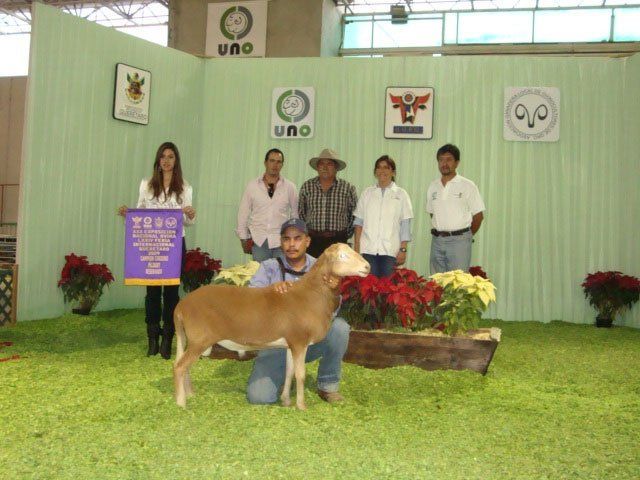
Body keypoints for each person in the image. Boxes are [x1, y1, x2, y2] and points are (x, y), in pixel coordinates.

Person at [246, 218, 350, 405]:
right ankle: (287, 376)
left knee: (340, 329)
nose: (292, 244)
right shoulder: (269, 267)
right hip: (276, 345)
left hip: (309, 342)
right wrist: (270, 291)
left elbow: (332, 312)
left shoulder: (320, 268)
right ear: (281, 242)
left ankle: (328, 385)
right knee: (259, 398)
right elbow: (250, 300)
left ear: (307, 241)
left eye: (298, 238)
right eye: (286, 239)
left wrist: (334, 292)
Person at [118, 141, 196, 359]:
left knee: (171, 293)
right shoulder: (146, 185)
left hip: (174, 245)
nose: (166, 160)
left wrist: (190, 214)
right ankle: (152, 337)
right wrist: (128, 214)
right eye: (163, 156)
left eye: (170, 156)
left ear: (176, 161)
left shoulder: (185, 187)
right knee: (152, 292)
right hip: (151, 244)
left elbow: (188, 221)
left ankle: (168, 338)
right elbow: (140, 213)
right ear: (158, 160)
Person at [426, 144, 484, 274]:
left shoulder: (468, 185)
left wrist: (465, 237)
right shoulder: (433, 186)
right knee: (437, 282)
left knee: (458, 282)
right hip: (437, 241)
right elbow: (432, 213)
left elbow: (479, 216)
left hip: (459, 242)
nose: (444, 163)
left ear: (457, 163)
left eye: (449, 159)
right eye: (441, 160)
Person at [353, 155, 413, 278]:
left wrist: (403, 250)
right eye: (379, 167)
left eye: (386, 167)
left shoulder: (401, 194)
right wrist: (357, 248)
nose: (382, 170)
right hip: (368, 250)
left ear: (393, 172)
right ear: (375, 172)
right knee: (369, 286)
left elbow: (405, 225)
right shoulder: (367, 193)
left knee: (388, 287)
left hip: (391, 251)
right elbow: (359, 223)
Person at [236, 148, 298, 262]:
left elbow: (295, 215)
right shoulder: (252, 186)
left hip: (281, 242)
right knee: (260, 273)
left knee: (281, 272)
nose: (275, 165)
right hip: (258, 240)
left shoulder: (290, 187)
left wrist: (292, 239)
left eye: (279, 162)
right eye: (272, 161)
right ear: (265, 163)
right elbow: (243, 213)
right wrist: (243, 238)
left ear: (282, 165)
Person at [298, 148, 357, 258]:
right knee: (314, 268)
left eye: (329, 164)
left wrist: (344, 234)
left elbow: (353, 215)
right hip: (313, 241)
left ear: (336, 168)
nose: (325, 167)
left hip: (338, 241)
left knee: (337, 269)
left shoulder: (347, 188)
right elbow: (302, 213)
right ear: (317, 167)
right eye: (321, 164)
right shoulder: (307, 186)